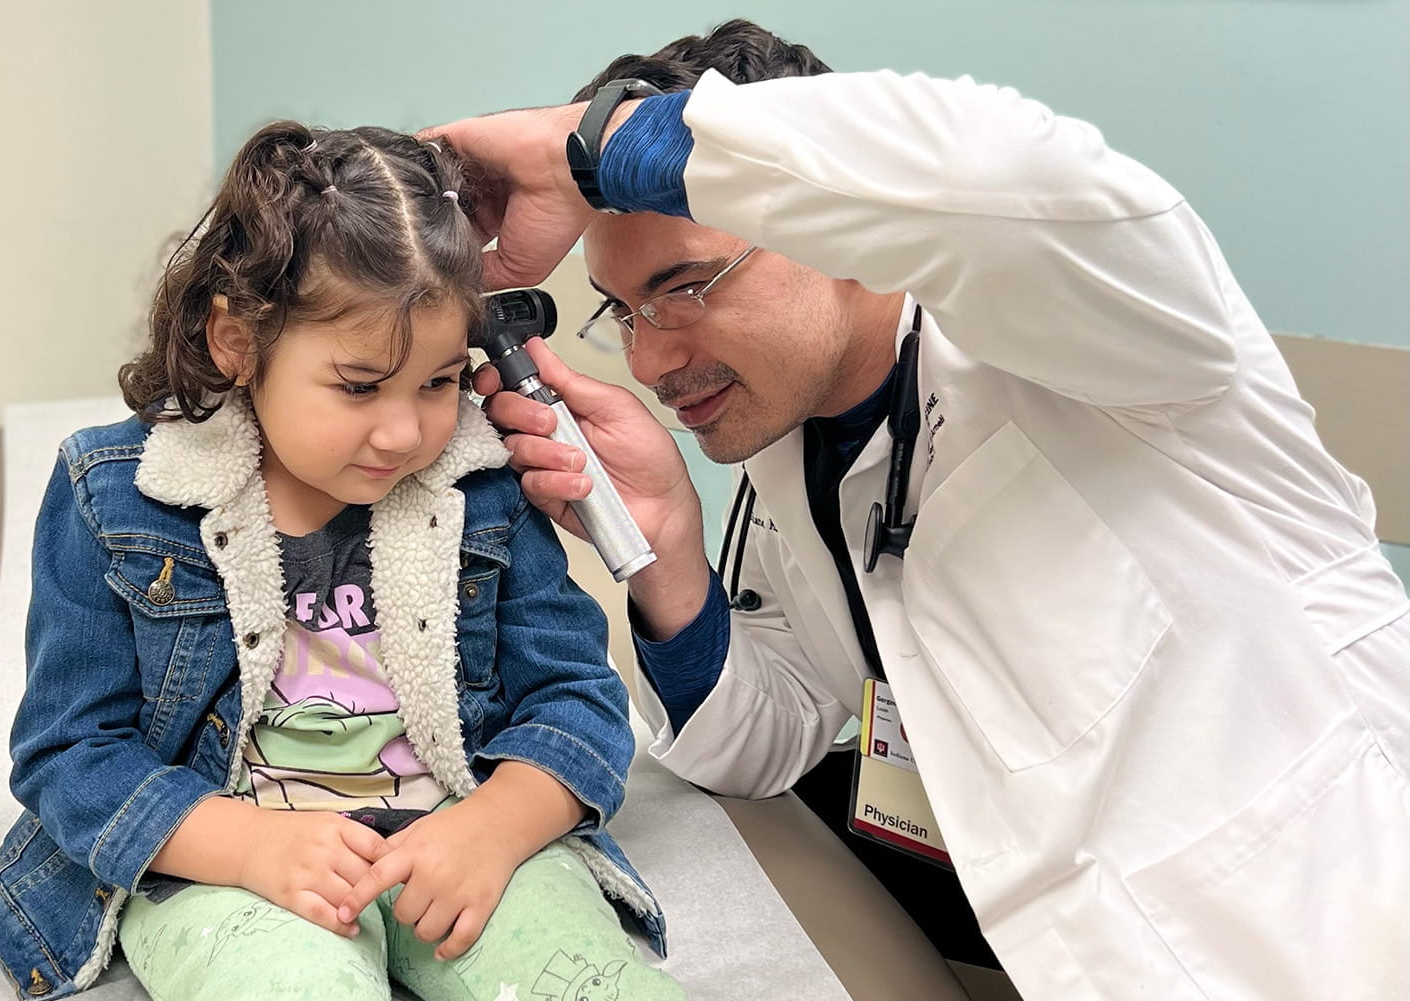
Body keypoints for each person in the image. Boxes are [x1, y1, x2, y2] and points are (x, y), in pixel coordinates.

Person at [441, 19, 1410, 1001]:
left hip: (1328, 931)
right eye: (624, 309)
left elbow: (1015, 172)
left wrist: (598, 140)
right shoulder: (794, 441)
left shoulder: (1108, 341)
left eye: (684, 287)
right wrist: (667, 551)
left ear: (839, 227)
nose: (647, 362)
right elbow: (764, 739)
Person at [0, 120, 683, 1001]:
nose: (404, 431)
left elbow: (575, 697)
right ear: (237, 343)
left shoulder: (482, 481)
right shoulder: (113, 496)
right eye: (358, 385)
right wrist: (248, 844)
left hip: (461, 840)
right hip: (227, 865)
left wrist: (496, 829)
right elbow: (70, 751)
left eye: (437, 381)